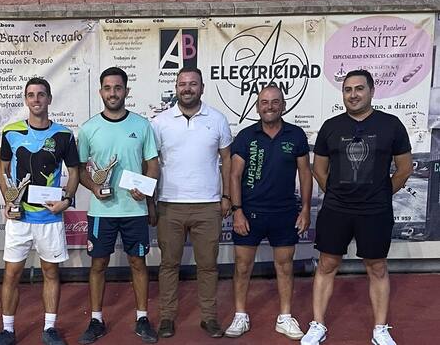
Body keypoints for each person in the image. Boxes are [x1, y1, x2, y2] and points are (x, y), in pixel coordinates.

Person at [301, 70, 413, 345]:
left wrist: (381, 194)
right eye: (347, 89)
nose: (353, 95)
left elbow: (404, 168)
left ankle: (380, 329)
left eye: (359, 88)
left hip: (375, 211)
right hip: (336, 209)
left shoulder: (391, 125)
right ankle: (317, 325)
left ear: (371, 91)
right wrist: (337, 193)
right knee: (327, 264)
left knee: (377, 267)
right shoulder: (331, 126)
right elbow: (319, 169)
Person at [77, 67, 160, 344]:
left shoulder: (142, 125)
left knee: (138, 262)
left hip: (135, 209)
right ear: (100, 91)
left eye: (118, 88)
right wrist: (94, 187)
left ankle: (142, 318)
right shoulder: (89, 128)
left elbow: (152, 164)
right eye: (108, 88)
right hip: (102, 211)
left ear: (126, 90)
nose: (113, 93)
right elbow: (80, 169)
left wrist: (145, 189)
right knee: (98, 264)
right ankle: (96, 320)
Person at [0, 78, 80, 345]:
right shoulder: (11, 132)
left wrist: (66, 200)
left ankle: (50, 328)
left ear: (49, 99)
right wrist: (9, 200)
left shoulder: (64, 134)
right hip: (19, 218)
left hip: (49, 218)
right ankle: (8, 330)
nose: (36, 100)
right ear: (25, 99)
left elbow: (74, 172)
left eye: (41, 94)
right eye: (31, 95)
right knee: (11, 274)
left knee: (50, 273)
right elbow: (3, 169)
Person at [150, 67, 232, 339]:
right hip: (169, 205)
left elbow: (227, 160)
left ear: (202, 87)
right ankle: (166, 317)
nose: (187, 88)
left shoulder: (217, 119)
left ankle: (209, 317)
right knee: (168, 265)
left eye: (193, 84)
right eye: (182, 84)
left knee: (208, 266)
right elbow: (151, 163)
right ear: (176, 87)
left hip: (208, 205)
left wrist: (227, 196)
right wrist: (151, 201)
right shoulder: (160, 122)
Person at [225, 85, 312, 340]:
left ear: (283, 105)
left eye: (275, 102)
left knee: (284, 266)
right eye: (264, 102)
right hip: (250, 213)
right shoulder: (245, 136)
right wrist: (237, 211)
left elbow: (305, 174)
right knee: (242, 266)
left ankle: (285, 317)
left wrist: (306, 209)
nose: (270, 106)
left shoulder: (296, 135)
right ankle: (240, 315)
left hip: (284, 212)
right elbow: (234, 175)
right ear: (257, 107)